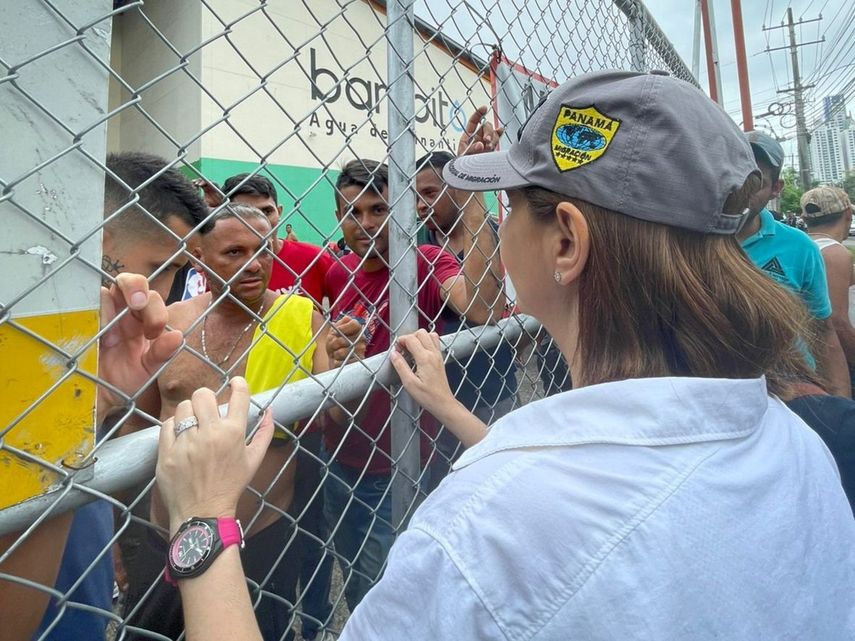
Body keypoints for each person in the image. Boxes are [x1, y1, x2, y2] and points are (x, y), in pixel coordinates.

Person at [155, 70, 854, 641]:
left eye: (510, 203)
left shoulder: (484, 528)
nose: (499, 219)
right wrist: (449, 406)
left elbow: (542, 506)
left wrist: (202, 520)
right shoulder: (793, 438)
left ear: (565, 242)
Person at [19, 152, 210, 641]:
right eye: (160, 267)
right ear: (95, 239)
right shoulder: (22, 356)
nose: (163, 294)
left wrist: (101, 400)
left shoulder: (100, 355)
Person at [121, 205, 335, 641]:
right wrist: (118, 537)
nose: (254, 264)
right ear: (198, 256)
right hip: (167, 534)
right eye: (235, 252)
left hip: (261, 539)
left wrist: (346, 364)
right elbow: (134, 430)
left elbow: (335, 417)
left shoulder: (301, 318)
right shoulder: (172, 323)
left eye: (263, 250)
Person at [320, 108, 505, 610]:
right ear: (338, 217)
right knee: (351, 576)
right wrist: (334, 357)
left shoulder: (423, 261)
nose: (365, 224)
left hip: (396, 462)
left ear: (398, 211)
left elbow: (483, 308)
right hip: (338, 458)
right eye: (352, 212)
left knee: (385, 589)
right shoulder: (336, 272)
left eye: (378, 209)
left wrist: (472, 187)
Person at [0, 273, 182, 641]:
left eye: (173, 270)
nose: (162, 287)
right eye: (159, 266)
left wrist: (83, 408)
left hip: (78, 597)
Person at [415, 150, 518, 473]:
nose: (420, 205)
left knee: (496, 471)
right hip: (435, 394)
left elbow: (500, 306)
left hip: (492, 387)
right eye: (414, 197)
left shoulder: (499, 235)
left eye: (429, 193)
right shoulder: (413, 243)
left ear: (456, 190)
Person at [737, 130, 850, 398]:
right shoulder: (693, 241)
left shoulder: (800, 247)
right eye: (734, 173)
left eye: (755, 181)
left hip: (793, 388)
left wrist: (841, 403)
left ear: (776, 189)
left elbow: (824, 331)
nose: (740, 188)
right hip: (724, 390)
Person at [801, 185, 855, 393]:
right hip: (824, 364)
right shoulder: (834, 253)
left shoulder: (801, 246)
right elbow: (837, 323)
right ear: (848, 214)